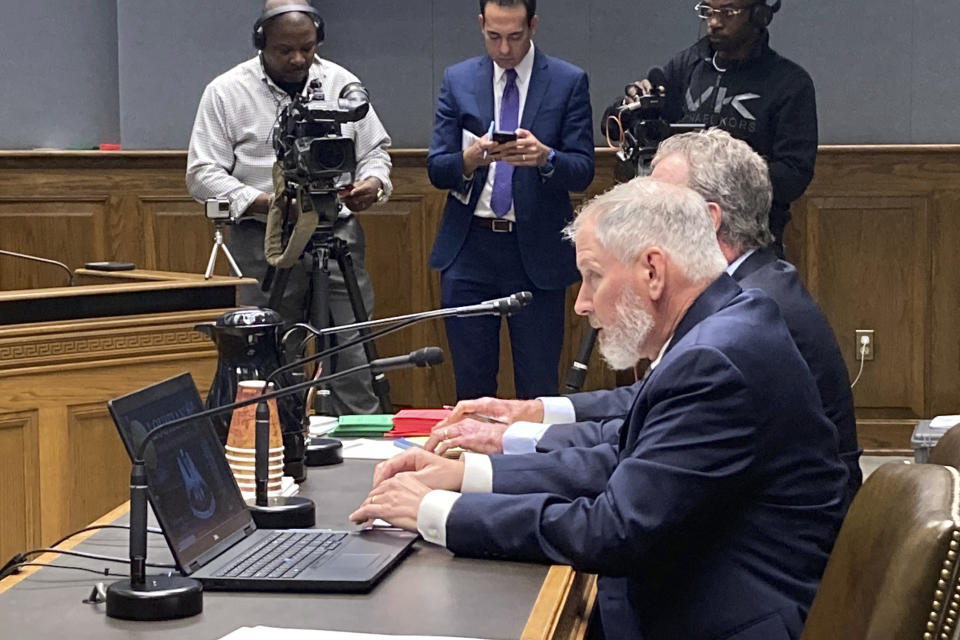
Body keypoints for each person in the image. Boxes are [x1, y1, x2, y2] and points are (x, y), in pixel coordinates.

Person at [351, 178, 847, 640]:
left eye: (592, 277)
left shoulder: (714, 359)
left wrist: (437, 511)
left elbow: (613, 530)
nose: (581, 305)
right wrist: (466, 476)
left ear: (652, 271)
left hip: (717, 622)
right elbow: (623, 457)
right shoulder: (722, 325)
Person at [432, 128, 862, 511]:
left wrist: (453, 500)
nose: (637, 219)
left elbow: (626, 495)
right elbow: (644, 407)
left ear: (707, 220)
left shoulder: (750, 312)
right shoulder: (744, 287)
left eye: (657, 206)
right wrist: (533, 413)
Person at [186, 0, 391, 415]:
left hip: (336, 233)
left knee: (352, 350)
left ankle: (361, 452)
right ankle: (277, 446)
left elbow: (376, 151)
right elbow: (202, 173)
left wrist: (374, 183)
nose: (299, 59)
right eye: (285, 50)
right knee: (269, 355)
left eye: (308, 48)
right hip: (264, 240)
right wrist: (268, 205)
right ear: (262, 44)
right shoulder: (227, 91)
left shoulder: (341, 83)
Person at [426, 0, 594, 400]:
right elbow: (437, 168)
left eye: (515, 37)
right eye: (494, 36)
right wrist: (468, 160)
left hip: (534, 251)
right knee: (471, 384)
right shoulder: (459, 79)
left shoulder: (567, 81)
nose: (504, 49)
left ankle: (533, 463)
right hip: (470, 248)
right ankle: (467, 463)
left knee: (537, 386)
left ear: (533, 25)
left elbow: (583, 169)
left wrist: (545, 158)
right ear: (481, 24)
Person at [629, 0, 816, 257]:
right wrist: (633, 107)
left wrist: (716, 182)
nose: (714, 22)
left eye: (728, 13)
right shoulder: (686, 66)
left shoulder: (790, 83)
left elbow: (794, 174)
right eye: (707, 11)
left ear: (759, 16)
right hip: (681, 236)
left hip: (749, 241)